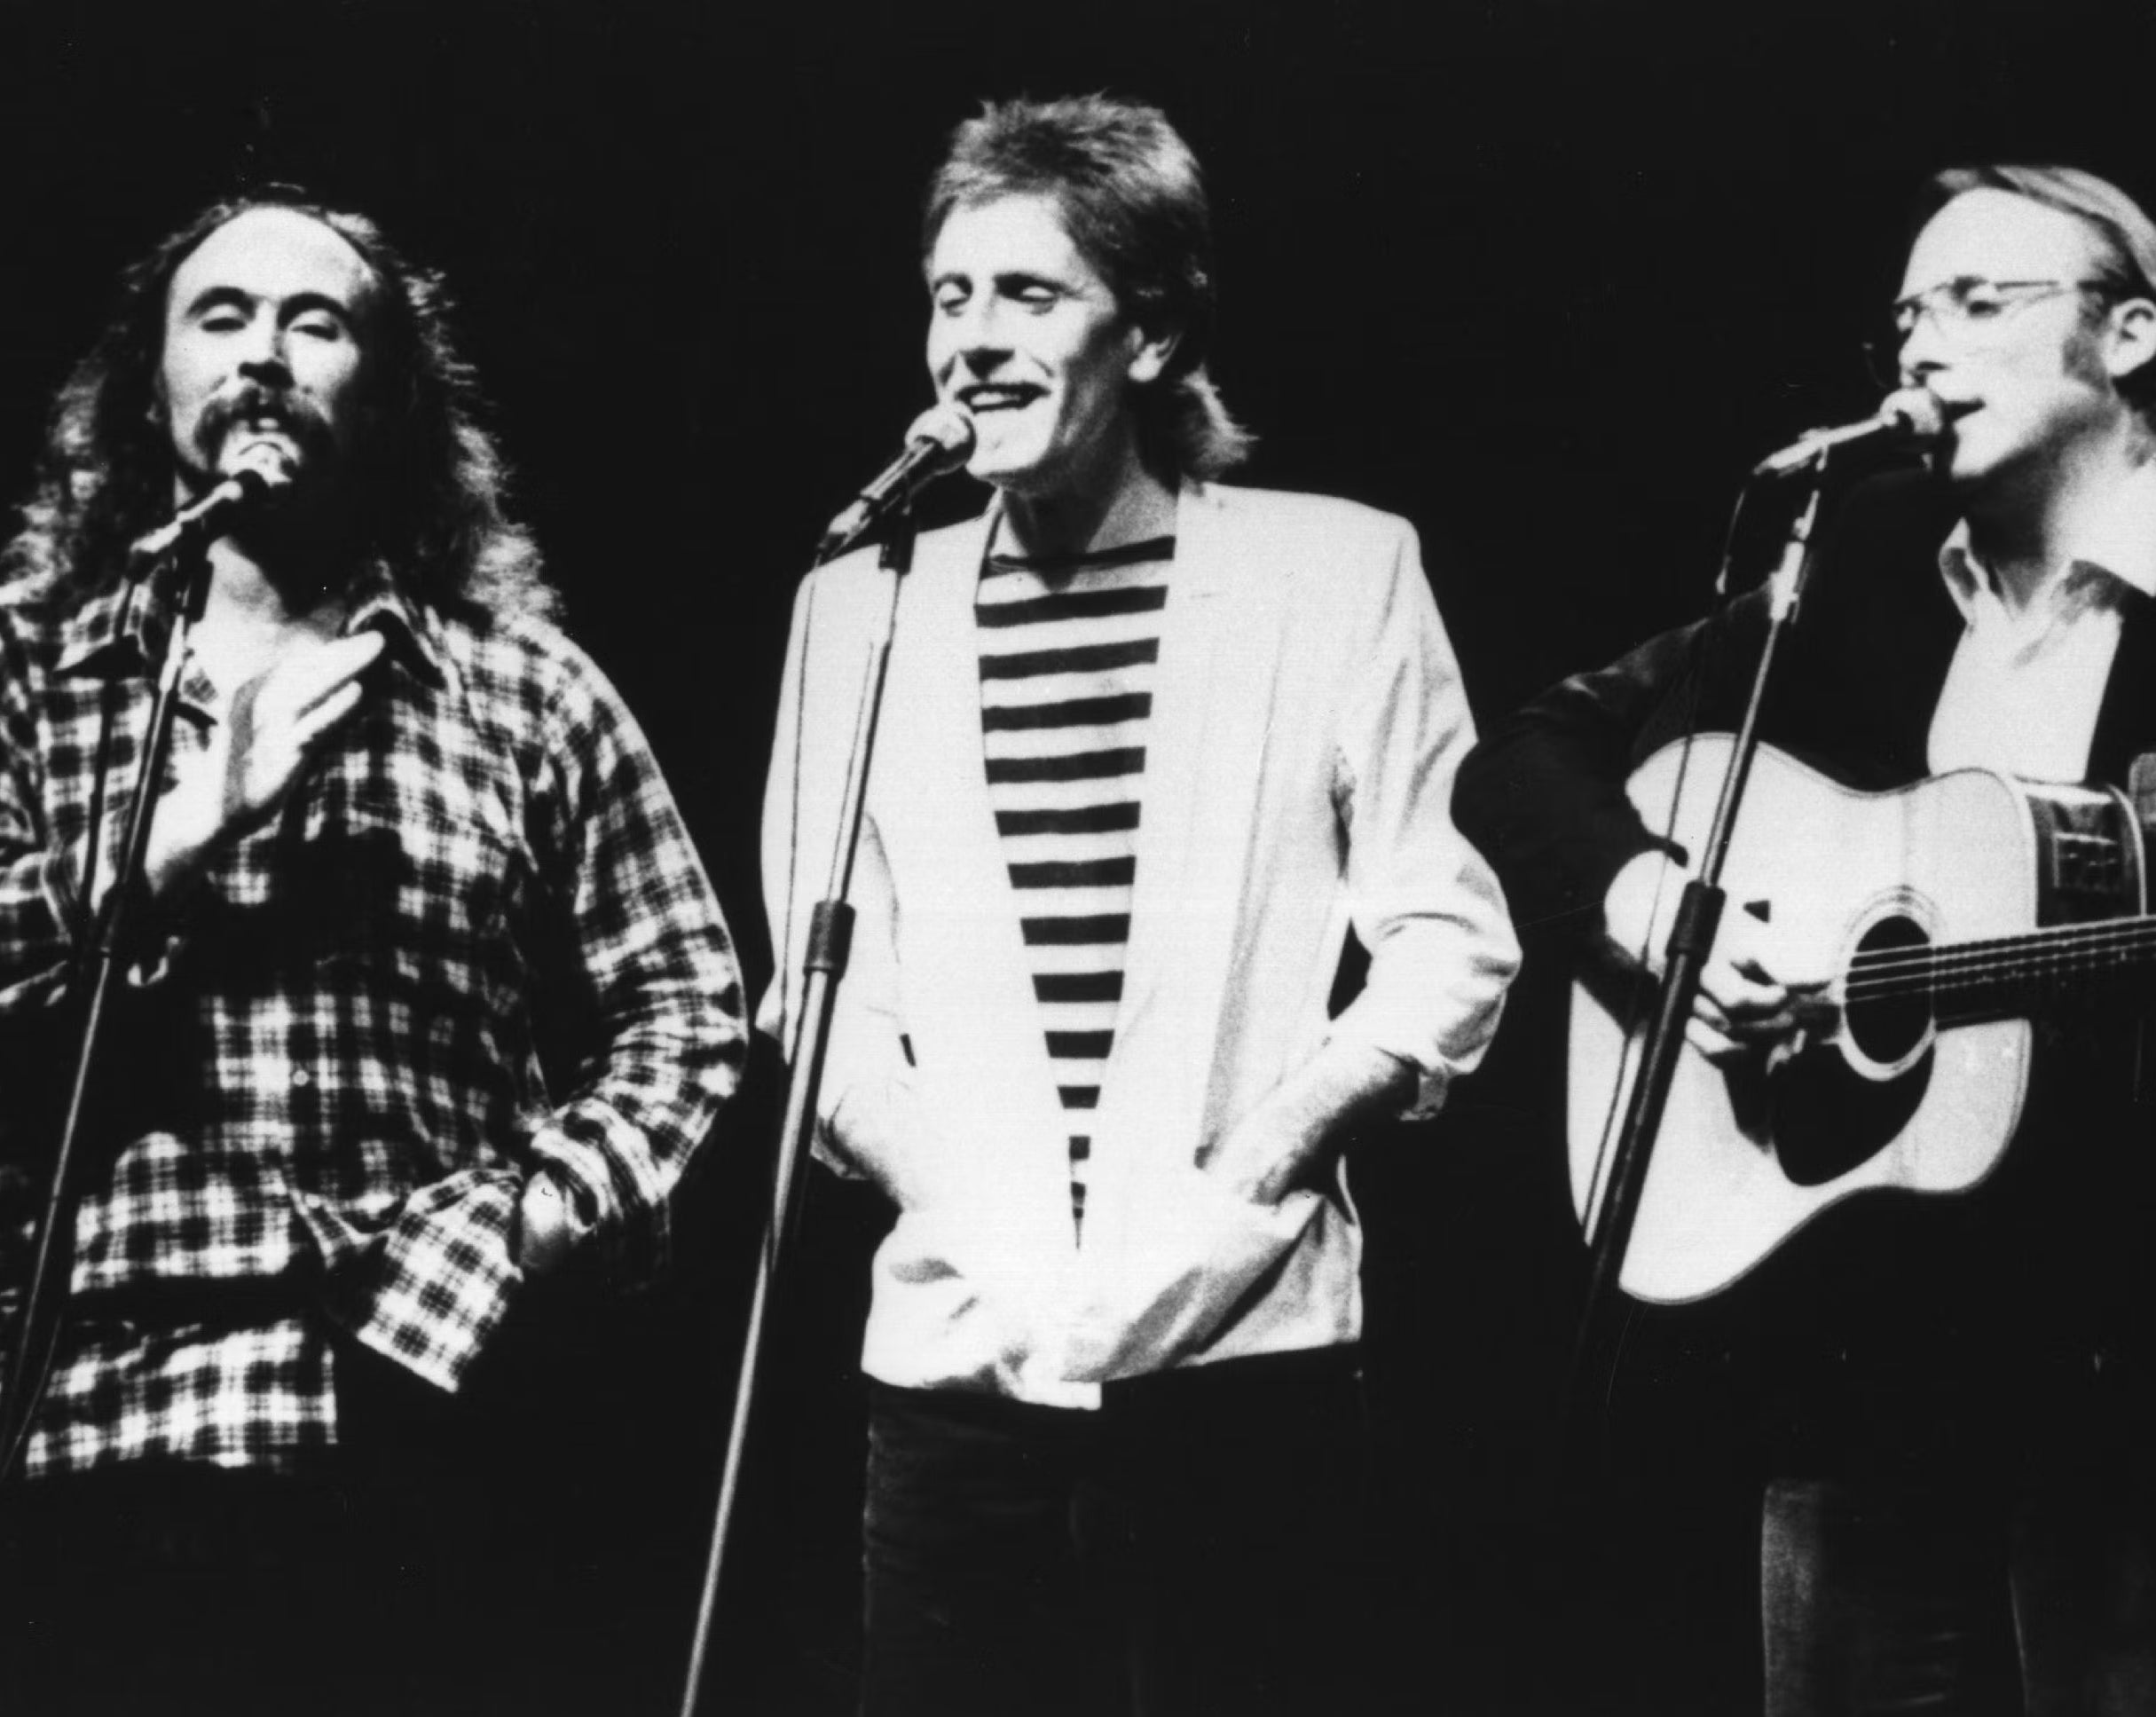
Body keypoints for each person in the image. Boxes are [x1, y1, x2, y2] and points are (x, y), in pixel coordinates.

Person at [1456, 163, 2156, 1714]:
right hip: (1858, 1382)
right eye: (1905, 318)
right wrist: (1659, 917)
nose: (1919, 349)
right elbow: (1525, 760)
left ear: (2125, 337)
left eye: (1978, 304)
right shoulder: (1843, 584)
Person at [758, 95, 1517, 1715]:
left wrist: (1259, 1158)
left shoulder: (1334, 571)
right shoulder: (855, 612)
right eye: (949, 297)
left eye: (1028, 296)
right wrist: (967, 1209)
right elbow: (820, 1002)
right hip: (962, 1371)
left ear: (1154, 333)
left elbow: (1448, 936)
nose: (970, 341)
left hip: (1242, 1352)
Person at [0, 189, 747, 1715]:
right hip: (83, 1405)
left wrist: (524, 1227)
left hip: (406, 1396)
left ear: (390, 392)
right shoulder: (29, 658)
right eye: (220, 317)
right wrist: (170, 844)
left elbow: (688, 1007)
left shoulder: (518, 686)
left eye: (313, 322)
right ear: (149, 383)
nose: (262, 355)